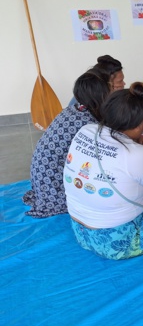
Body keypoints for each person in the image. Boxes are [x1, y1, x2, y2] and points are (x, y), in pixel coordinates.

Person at [64, 83, 143, 260]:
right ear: (139, 125)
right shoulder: (139, 155)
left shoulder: (85, 130)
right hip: (117, 241)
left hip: (80, 232)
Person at [23, 68, 111, 218]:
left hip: (42, 180)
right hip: (54, 188)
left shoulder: (74, 110)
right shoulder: (88, 125)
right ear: (100, 96)